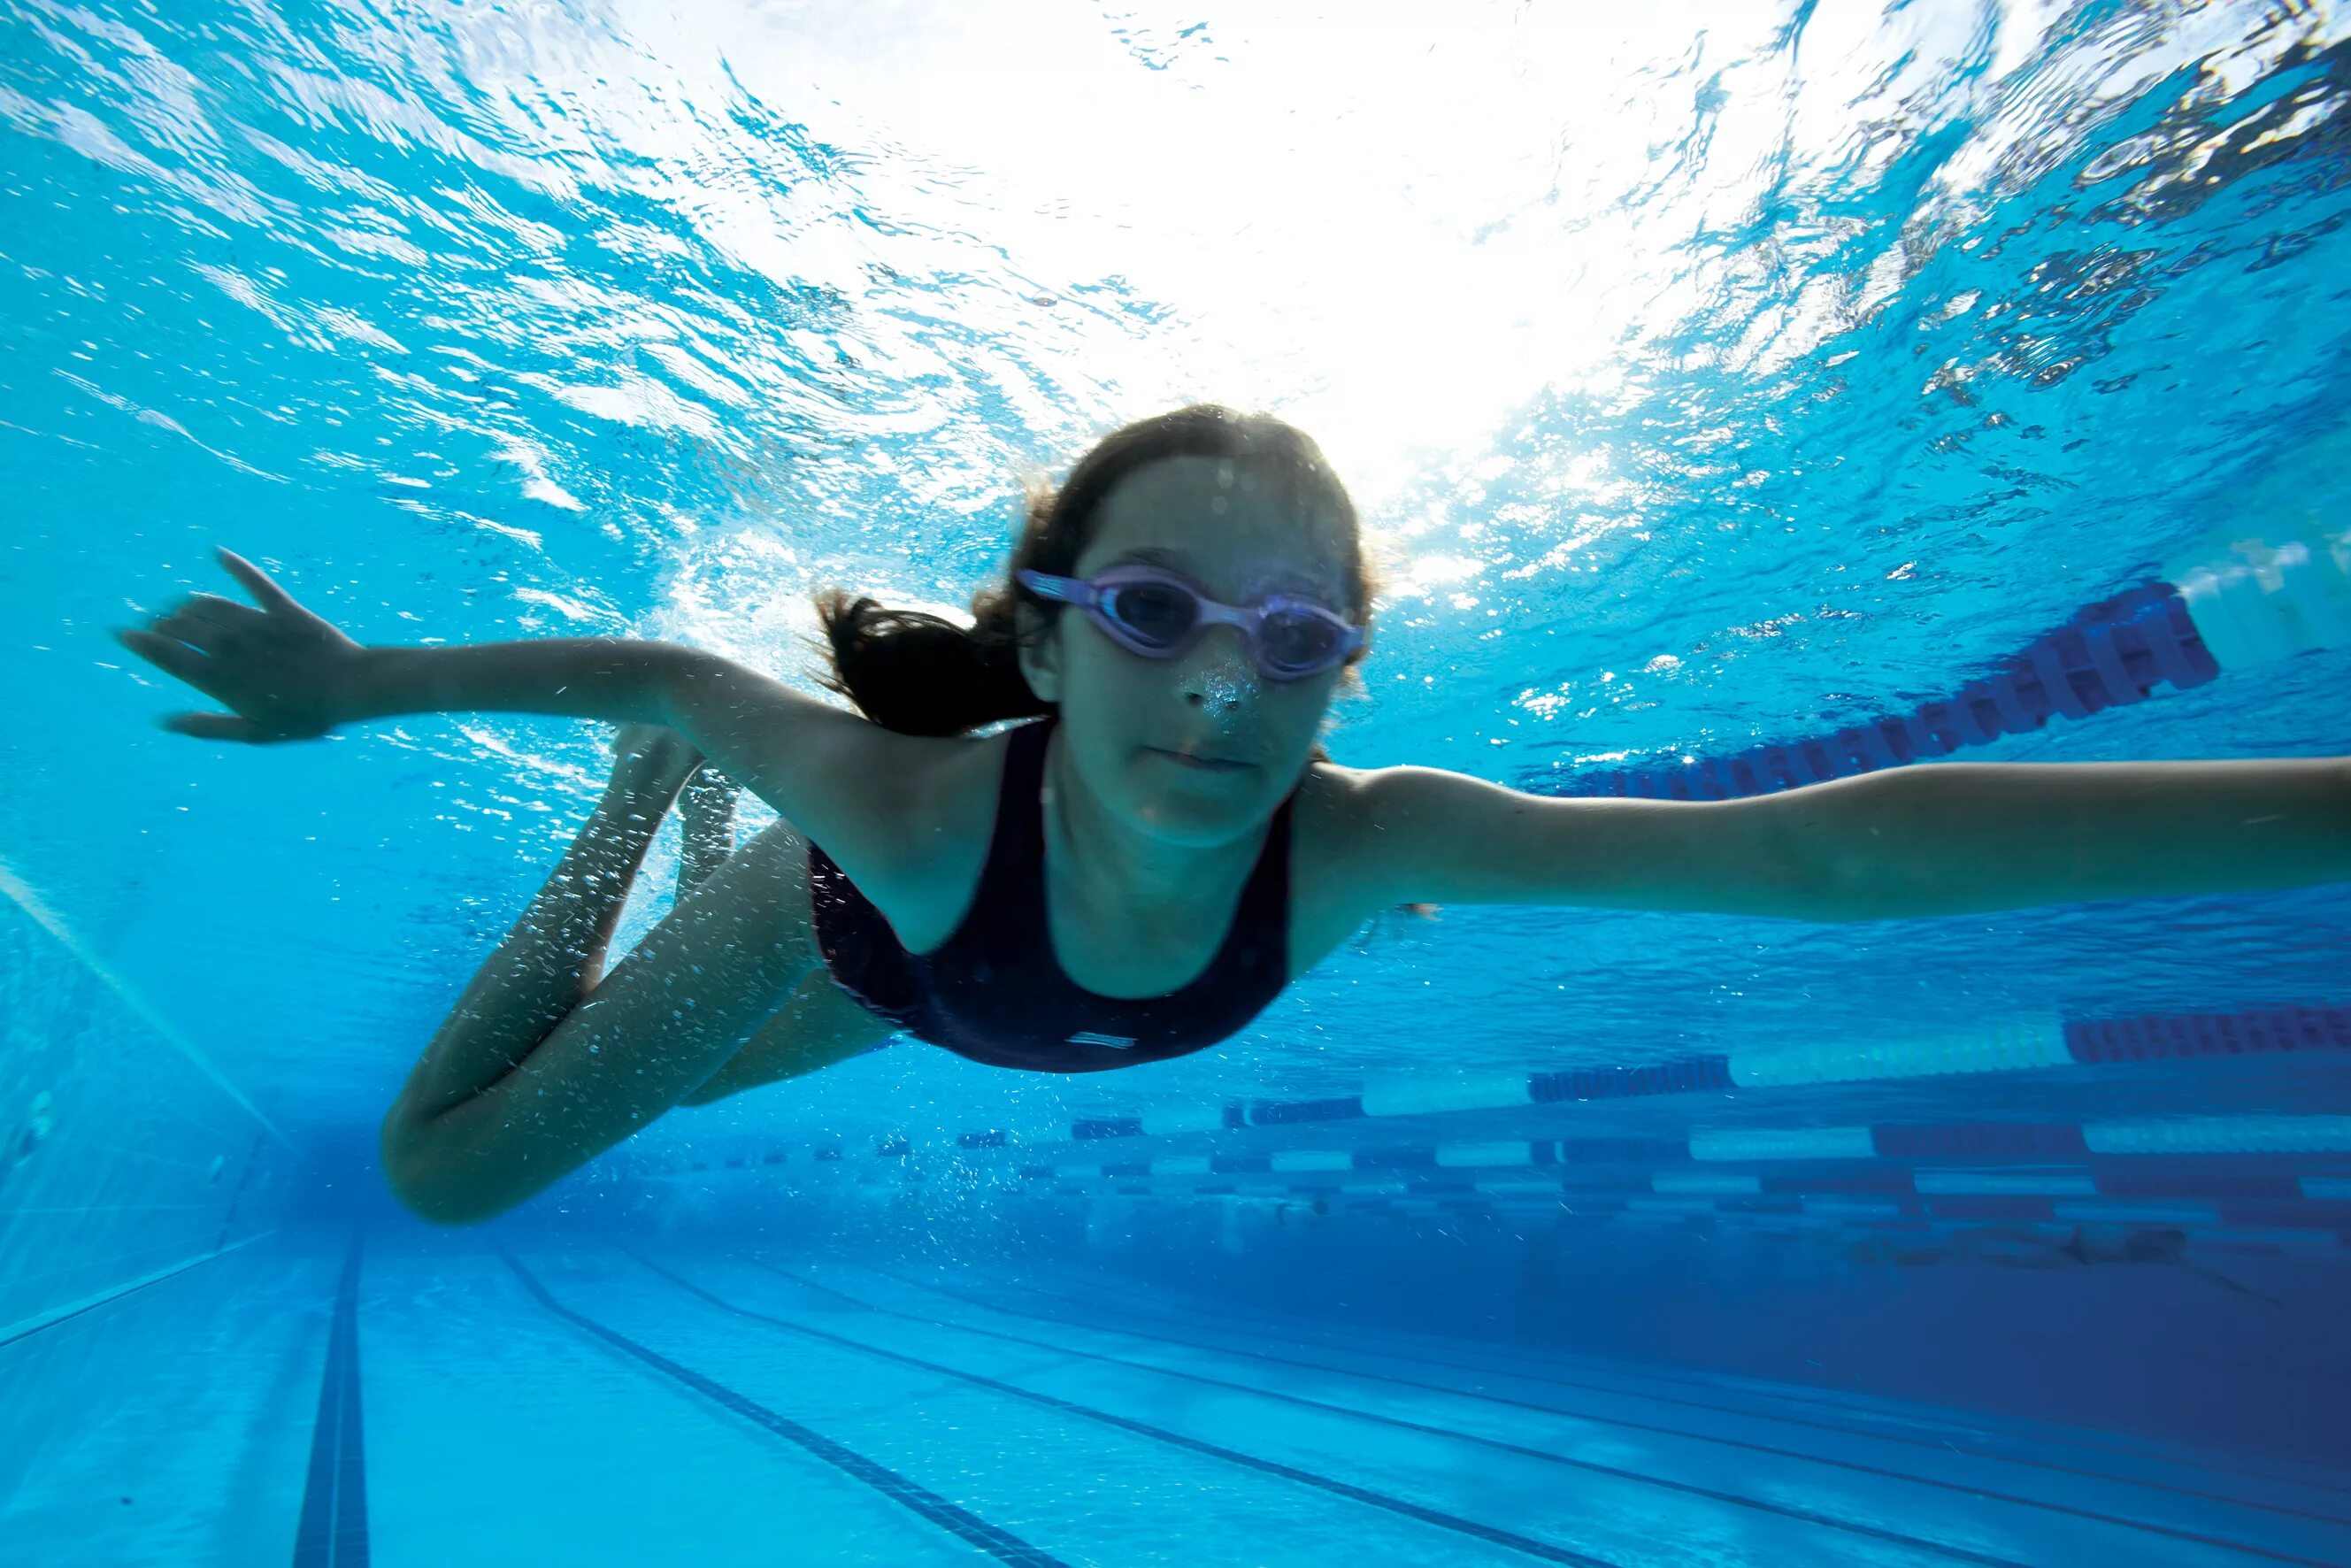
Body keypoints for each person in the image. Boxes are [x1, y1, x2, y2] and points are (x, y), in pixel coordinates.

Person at [113, 405, 2351, 1225]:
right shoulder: (902, 797)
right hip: (856, 933)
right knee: (447, 1177)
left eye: (1299, 639)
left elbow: (1818, 849)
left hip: (936, 998)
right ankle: (632, 833)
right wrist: (350, 692)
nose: (1226, 684)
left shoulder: (1368, 838)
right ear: (1055, 638)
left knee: (625, 1105)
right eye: (1165, 610)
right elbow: (669, 669)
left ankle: (665, 842)